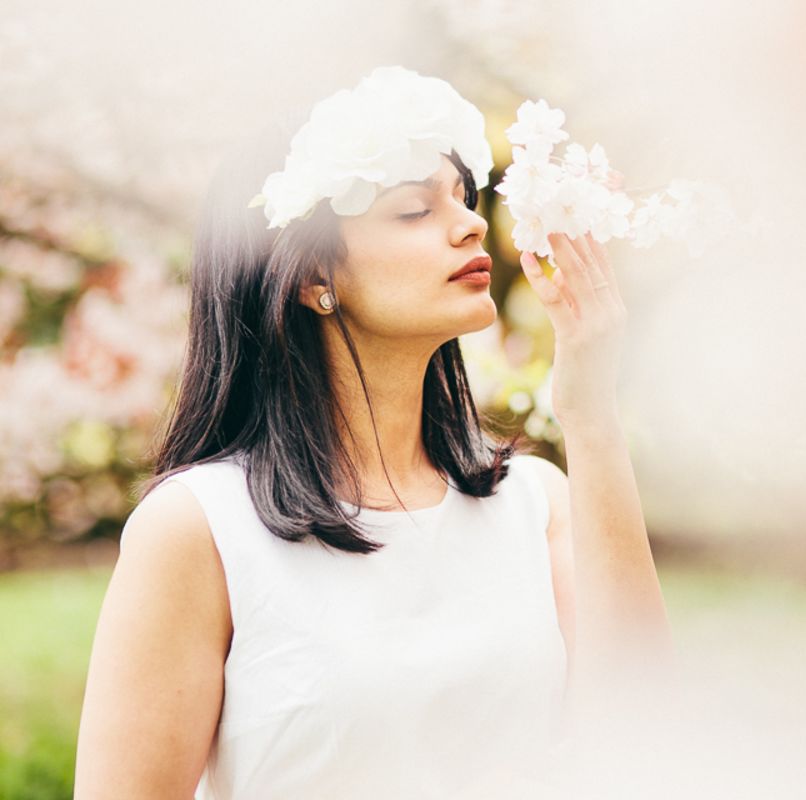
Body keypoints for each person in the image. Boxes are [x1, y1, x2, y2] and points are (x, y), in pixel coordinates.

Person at [73, 66, 674, 799]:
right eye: (414, 210)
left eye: (464, 196)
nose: (472, 224)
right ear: (311, 276)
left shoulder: (534, 503)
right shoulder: (199, 529)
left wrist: (589, 412)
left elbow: (642, 741)